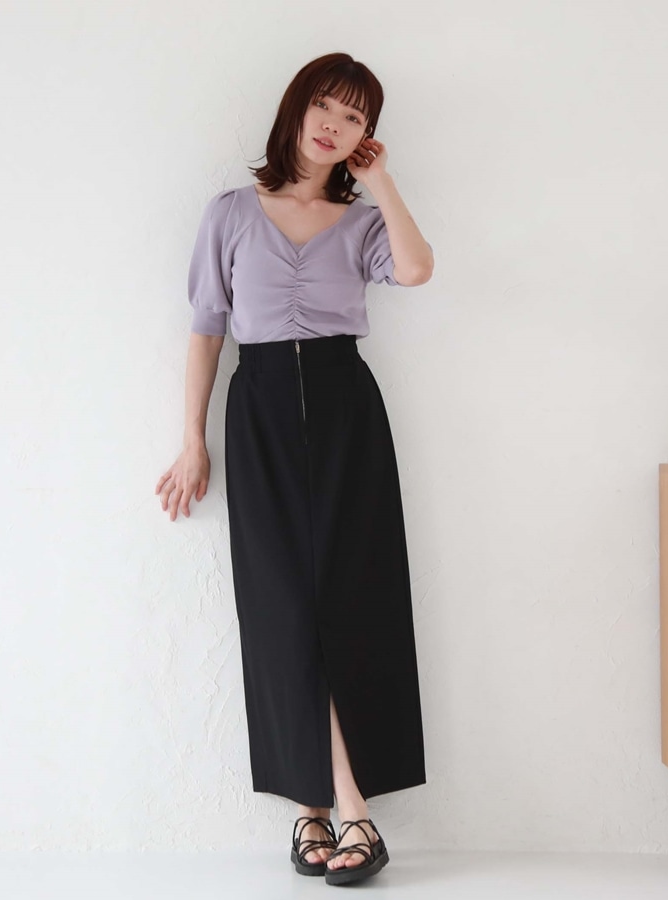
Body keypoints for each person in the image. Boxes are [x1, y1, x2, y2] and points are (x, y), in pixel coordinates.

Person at [155, 52, 434, 886]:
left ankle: (329, 811)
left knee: (353, 601)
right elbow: (207, 327)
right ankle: (339, 810)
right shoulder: (231, 213)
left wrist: (381, 183)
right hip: (262, 409)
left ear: (365, 136)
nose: (335, 126)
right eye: (326, 106)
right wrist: (193, 439)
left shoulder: (362, 220)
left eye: (355, 119)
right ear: (297, 108)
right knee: (280, 605)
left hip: (349, 411)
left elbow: (417, 269)